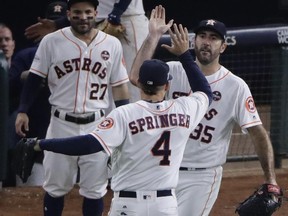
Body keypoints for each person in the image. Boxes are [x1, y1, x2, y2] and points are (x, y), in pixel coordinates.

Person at [24, 10, 213, 215]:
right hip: (164, 205)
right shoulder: (184, 109)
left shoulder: (124, 114)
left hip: (128, 205)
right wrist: (185, 54)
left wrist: (40, 144)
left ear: (138, 82)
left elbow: (88, 143)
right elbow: (205, 92)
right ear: (167, 86)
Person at [129, 10, 279, 216]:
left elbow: (257, 132)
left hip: (201, 177)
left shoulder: (235, 86)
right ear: (194, 41)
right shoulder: (173, 71)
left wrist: (270, 179)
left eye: (214, 38)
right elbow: (137, 76)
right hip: (162, 169)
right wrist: (153, 36)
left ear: (223, 46)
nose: (207, 42)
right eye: (202, 36)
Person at [15, 0, 130, 215]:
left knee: (95, 189)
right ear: (68, 14)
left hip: (97, 125)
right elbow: (34, 78)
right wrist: (23, 110)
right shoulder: (51, 41)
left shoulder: (111, 44)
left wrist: (127, 118)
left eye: (88, 12)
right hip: (61, 124)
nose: (83, 17)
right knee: (55, 187)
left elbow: (120, 86)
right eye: (77, 12)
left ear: (96, 13)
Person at [24, 0, 149, 105]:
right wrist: (59, 23)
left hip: (126, 20)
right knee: (99, 87)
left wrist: (117, 12)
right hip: (96, 22)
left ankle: (133, 131)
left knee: (131, 87)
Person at [8, 0, 68, 187]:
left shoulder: (78, 55)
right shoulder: (27, 56)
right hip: (34, 139)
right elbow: (7, 89)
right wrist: (24, 77)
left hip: (67, 136)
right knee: (30, 195)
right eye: (51, 24)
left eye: (58, 24)